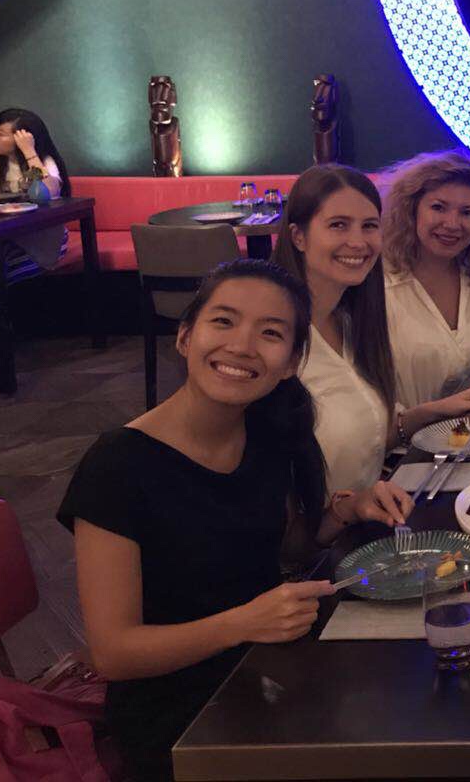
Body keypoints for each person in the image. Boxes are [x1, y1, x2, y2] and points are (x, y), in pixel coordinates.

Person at [58, 260, 412, 782]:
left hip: (267, 668)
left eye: (270, 333)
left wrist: (346, 509)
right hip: (180, 721)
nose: (243, 346)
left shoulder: (265, 431)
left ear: (292, 362)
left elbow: (280, 547)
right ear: (185, 337)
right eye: (223, 321)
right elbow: (113, 652)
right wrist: (244, 622)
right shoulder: (118, 465)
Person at [271, 165, 398, 494]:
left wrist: (430, 413)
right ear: (298, 237)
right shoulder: (273, 337)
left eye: (369, 226)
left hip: (369, 515)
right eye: (338, 225)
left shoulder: (350, 321)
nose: (358, 242)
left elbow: (368, 434)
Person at [381, 150, 470, 430]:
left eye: (467, 212)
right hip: (399, 450)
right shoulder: (377, 286)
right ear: (411, 210)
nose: (452, 224)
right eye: (438, 207)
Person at [0, 108, 71, 276]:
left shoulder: (43, 162)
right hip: (2, 237)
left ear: (22, 138)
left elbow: (46, 193)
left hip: (43, 239)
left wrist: (29, 152)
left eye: (1, 134)